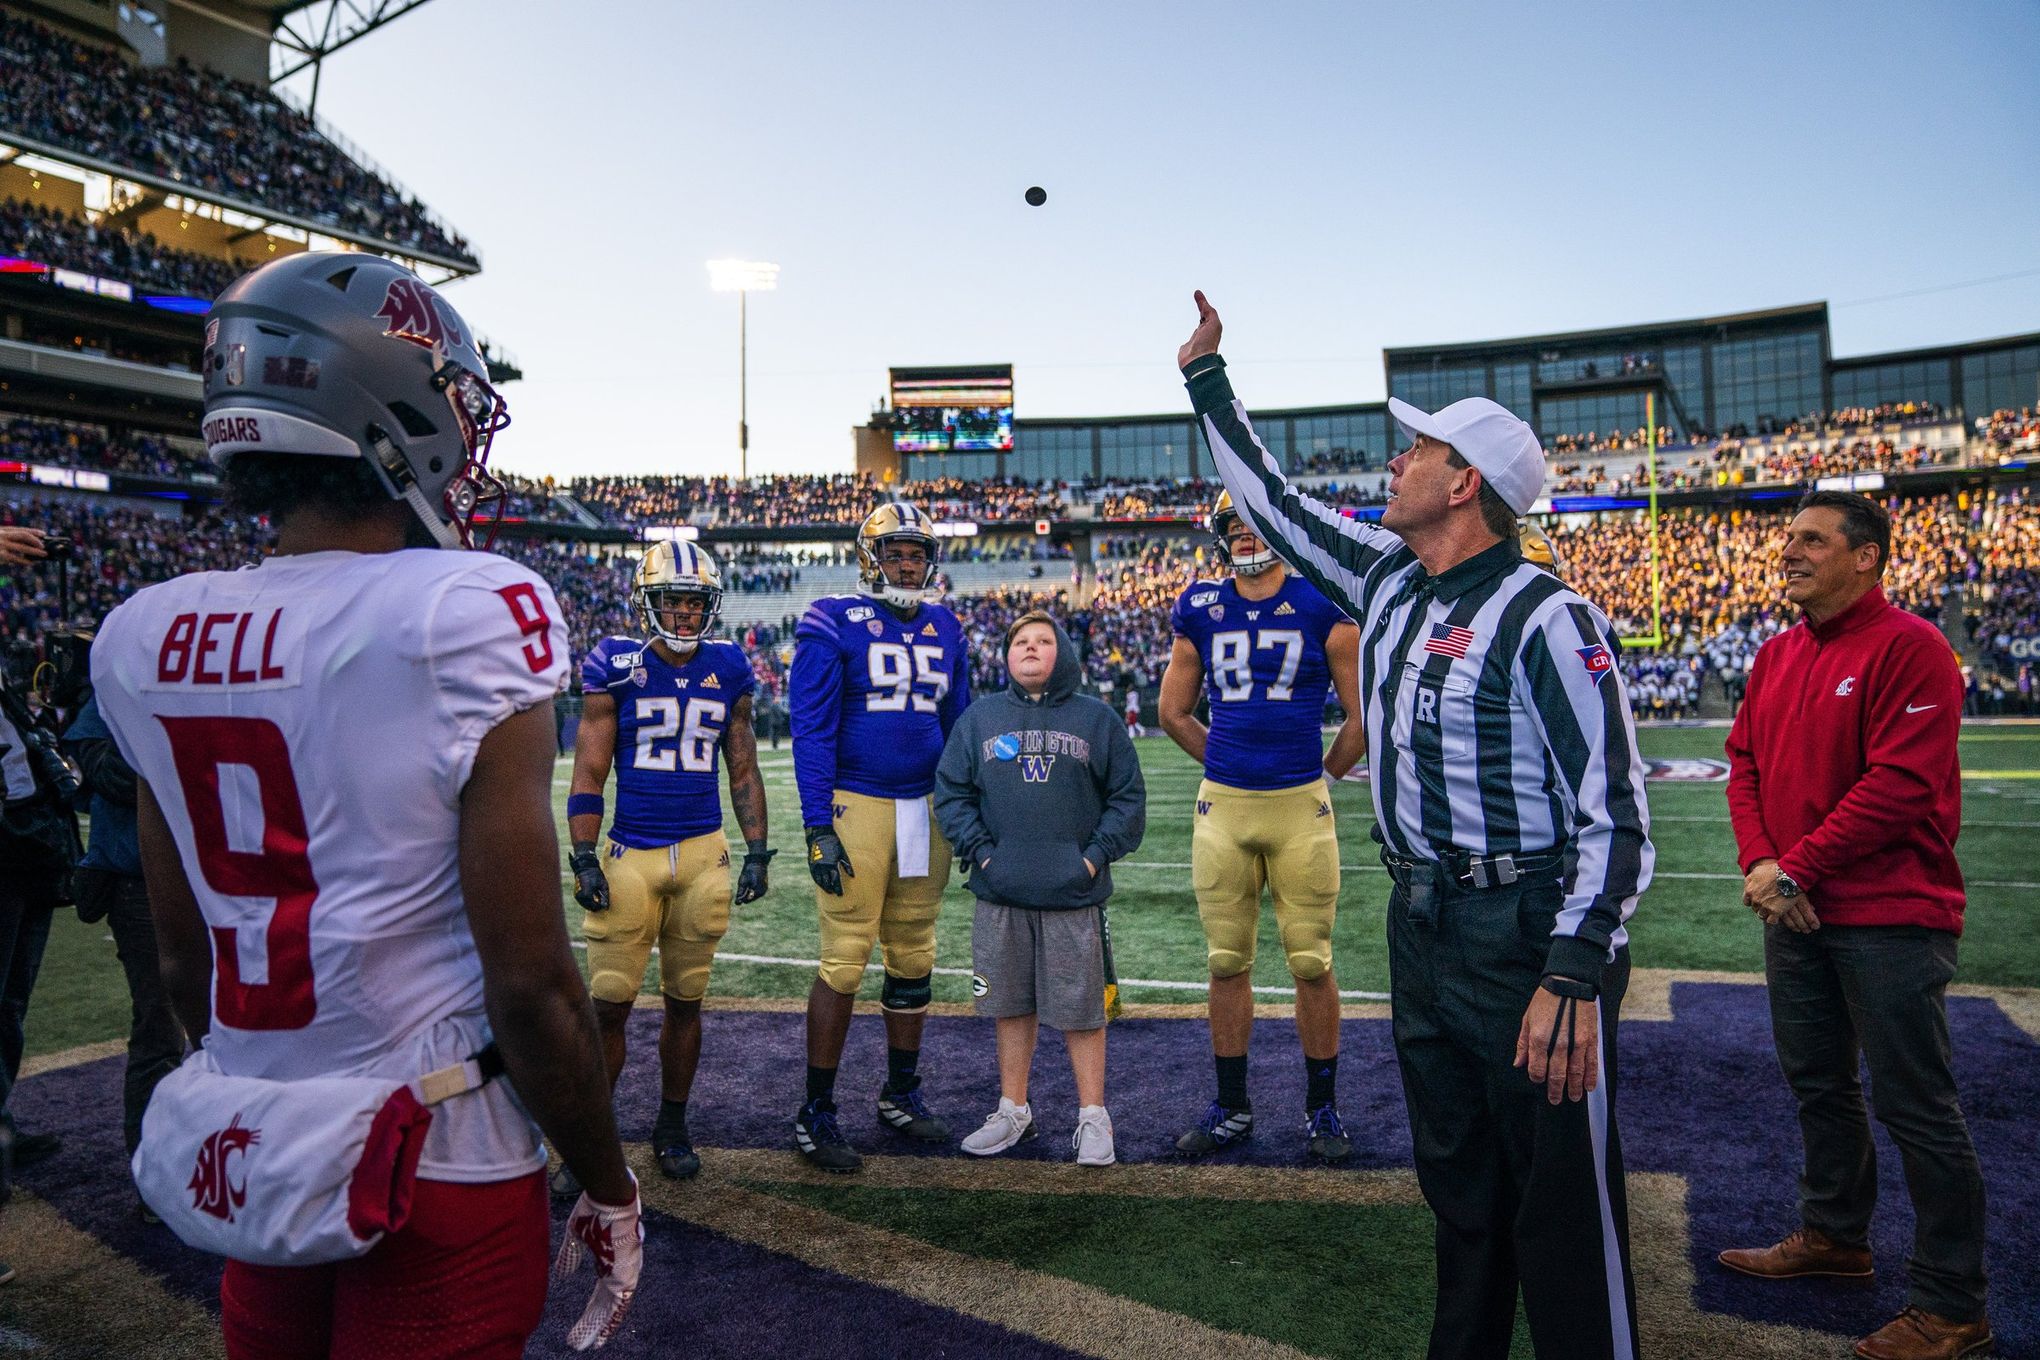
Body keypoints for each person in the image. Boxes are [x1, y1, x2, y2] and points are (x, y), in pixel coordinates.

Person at [90, 252, 640, 1355]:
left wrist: (281, 1083)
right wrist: (605, 1176)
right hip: (436, 1148)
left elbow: (181, 961)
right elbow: (531, 985)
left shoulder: (143, 635)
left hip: (266, 1147)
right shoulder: (466, 611)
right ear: (387, 406)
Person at [1179, 291, 1652, 1360]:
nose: (1397, 465)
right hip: (1425, 924)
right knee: (1462, 1194)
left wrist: (1574, 969)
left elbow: (1616, 814)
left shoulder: (1545, 613)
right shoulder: (1389, 578)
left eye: (1419, 450)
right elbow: (1278, 502)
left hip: (1527, 928)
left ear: (1465, 482)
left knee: (1563, 1208)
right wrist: (1207, 380)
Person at [1719, 490, 1989, 1360]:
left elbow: (1900, 786)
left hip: (1890, 917)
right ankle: (1836, 1237)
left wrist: (1796, 867)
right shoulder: (1774, 653)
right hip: (1795, 909)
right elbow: (1744, 765)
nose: (1787, 551)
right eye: (1787, 538)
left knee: (1919, 1108)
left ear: (1865, 555)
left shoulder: (1914, 647)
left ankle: (1953, 1305)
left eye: (1810, 539)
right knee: (1819, 1085)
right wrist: (1764, 865)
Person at [1157, 490, 1366, 1162]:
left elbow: (1362, 718)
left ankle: (1323, 1107)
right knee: (1225, 962)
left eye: (1255, 525)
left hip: (1298, 806)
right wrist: (1224, 763)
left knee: (1311, 960)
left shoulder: (1321, 602)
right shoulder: (1200, 606)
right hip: (1226, 806)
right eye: (1233, 527)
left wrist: (1322, 779)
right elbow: (1173, 711)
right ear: (1221, 537)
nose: (1245, 538)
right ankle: (1232, 1107)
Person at [560, 540, 772, 1189]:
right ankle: (587, 1141)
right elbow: (590, 766)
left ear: (710, 605)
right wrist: (583, 855)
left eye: (693, 602)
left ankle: (671, 1125)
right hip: (631, 853)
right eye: (672, 601)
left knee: (687, 1002)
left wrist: (759, 848)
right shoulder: (616, 664)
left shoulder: (731, 667)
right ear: (646, 601)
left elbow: (742, 765)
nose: (683, 613)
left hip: (704, 853)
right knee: (607, 1008)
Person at [788, 501, 971, 1171]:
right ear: (870, 558)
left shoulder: (947, 624)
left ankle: (901, 1091)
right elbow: (811, 729)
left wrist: (972, 815)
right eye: (895, 552)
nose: (906, 563)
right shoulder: (831, 619)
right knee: (844, 958)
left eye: (916, 553)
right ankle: (816, 1109)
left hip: (925, 810)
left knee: (915, 954)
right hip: (857, 803)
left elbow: (963, 728)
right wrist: (816, 825)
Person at [934, 611, 1145, 1165]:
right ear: (1005, 657)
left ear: (1064, 653)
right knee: (1007, 1005)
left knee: (1083, 1009)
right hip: (1000, 892)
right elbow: (951, 794)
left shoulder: (1098, 721)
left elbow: (1128, 802)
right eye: (1020, 641)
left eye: (1044, 640)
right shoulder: (979, 719)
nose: (1030, 648)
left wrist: (1093, 860)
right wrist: (982, 853)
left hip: (1074, 896)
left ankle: (1094, 1118)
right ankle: (1013, 1111)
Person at [62, 681, 184, 1220]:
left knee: (218, 1027)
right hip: (139, 879)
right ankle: (153, 1178)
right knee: (159, 1027)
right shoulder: (119, 681)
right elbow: (104, 770)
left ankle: (197, 1161)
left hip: (203, 876)